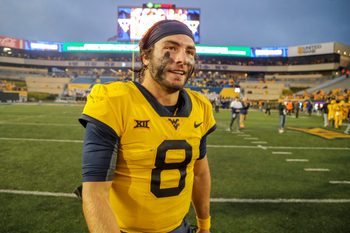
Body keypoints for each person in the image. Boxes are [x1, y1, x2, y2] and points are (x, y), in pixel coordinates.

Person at [78, 20, 216, 233]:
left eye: (189, 52)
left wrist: (205, 226)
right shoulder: (114, 100)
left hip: (180, 227)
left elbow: (199, 173)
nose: (182, 59)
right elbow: (95, 192)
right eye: (170, 48)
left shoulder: (201, 107)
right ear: (145, 56)